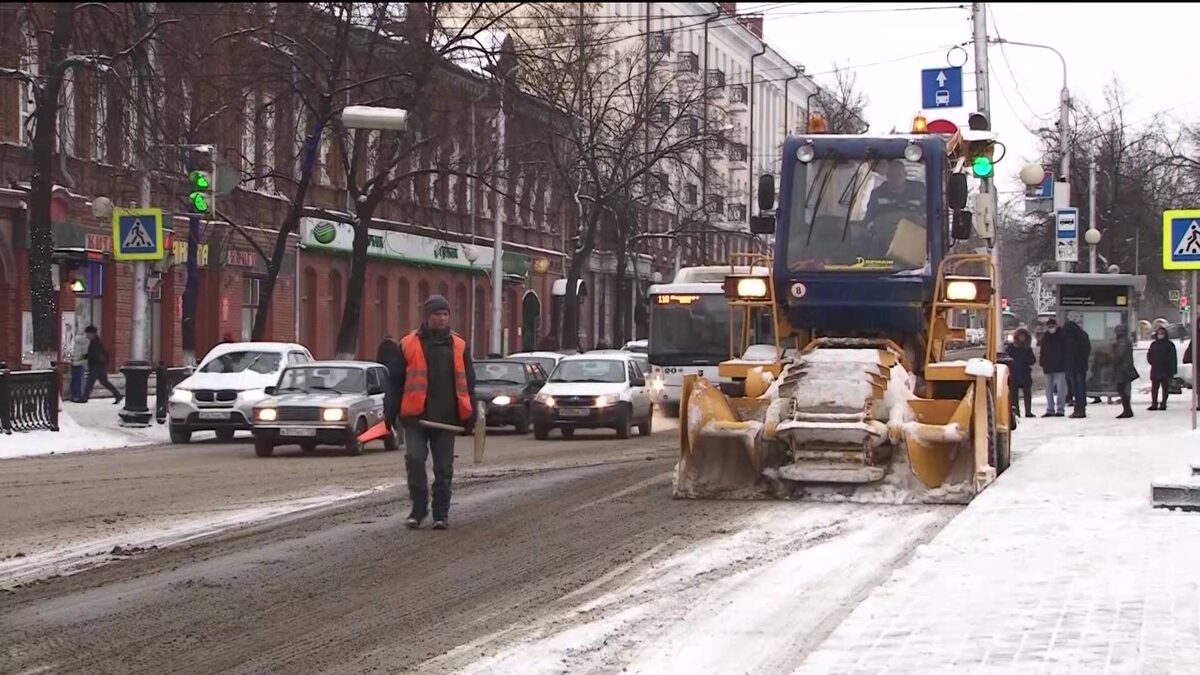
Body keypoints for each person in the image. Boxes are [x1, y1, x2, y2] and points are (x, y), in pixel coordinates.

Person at [383, 294, 477, 531]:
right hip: (415, 417)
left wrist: (470, 415)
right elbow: (395, 382)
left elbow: (469, 383)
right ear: (427, 317)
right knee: (414, 460)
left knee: (443, 468)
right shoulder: (407, 344)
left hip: (446, 419)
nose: (442, 318)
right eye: (438, 314)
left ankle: (441, 514)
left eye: (446, 314)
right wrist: (390, 411)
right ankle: (418, 510)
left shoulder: (459, 346)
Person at [863, 159, 926, 254]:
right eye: (891, 175)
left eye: (898, 175)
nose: (895, 178)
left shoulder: (919, 191)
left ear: (905, 174)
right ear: (887, 176)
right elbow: (868, 221)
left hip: (914, 239)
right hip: (884, 242)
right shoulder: (878, 194)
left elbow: (931, 217)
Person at [81, 325, 122, 404]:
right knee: (104, 382)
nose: (86, 335)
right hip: (100, 366)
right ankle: (118, 395)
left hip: (97, 366)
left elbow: (94, 355)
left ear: (92, 333)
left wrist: (85, 356)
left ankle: (85, 398)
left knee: (90, 382)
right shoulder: (95, 341)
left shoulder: (96, 342)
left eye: (87, 333)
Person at [1038, 318, 1067, 417]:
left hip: (1060, 366)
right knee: (1048, 390)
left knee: (1061, 389)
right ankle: (1050, 409)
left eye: (1052, 326)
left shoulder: (1062, 336)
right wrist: (1042, 362)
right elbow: (1043, 351)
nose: (1051, 328)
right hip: (1048, 366)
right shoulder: (1045, 337)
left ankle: (1060, 409)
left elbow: (1065, 351)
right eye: (1049, 326)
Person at [1063, 320, 1091, 418]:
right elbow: (1087, 350)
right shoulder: (1082, 335)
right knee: (1080, 388)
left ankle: (1079, 409)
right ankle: (1080, 408)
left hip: (1073, 366)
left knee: (1076, 389)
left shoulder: (1068, 337)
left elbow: (1066, 351)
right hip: (1080, 365)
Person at [1004, 328, 1036, 418]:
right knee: (1014, 395)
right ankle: (1016, 411)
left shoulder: (1027, 348)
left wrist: (1026, 361)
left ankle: (1028, 411)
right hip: (1014, 374)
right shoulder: (1010, 348)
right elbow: (1006, 358)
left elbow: (1033, 360)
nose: (1022, 338)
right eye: (1021, 336)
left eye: (1024, 337)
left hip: (1025, 374)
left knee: (1027, 394)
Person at [1147, 326, 1178, 410]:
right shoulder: (1154, 345)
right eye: (1159, 333)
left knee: (1165, 388)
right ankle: (1154, 403)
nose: (1160, 335)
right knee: (1154, 388)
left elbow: (1173, 358)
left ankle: (1163, 403)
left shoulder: (1169, 345)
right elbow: (1149, 355)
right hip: (1156, 369)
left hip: (1166, 370)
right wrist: (1151, 361)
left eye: (1162, 333)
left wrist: (1173, 370)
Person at [1112, 325, 1138, 419]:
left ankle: (1127, 410)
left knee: (1121, 389)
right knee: (1122, 389)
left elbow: (1119, 356)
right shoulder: (1124, 341)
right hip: (1125, 368)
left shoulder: (1121, 342)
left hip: (1123, 369)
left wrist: (1112, 359)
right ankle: (1127, 410)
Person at [70, 328, 90, 402]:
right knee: (81, 380)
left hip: (76, 362)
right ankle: (80, 396)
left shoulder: (76, 340)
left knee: (76, 380)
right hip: (81, 363)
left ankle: (76, 396)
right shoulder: (86, 340)